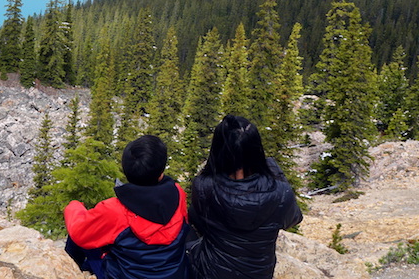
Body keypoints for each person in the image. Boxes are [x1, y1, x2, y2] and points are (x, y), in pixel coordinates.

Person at [187, 115, 302, 279]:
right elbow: (293, 219)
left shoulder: (204, 186)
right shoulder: (279, 192)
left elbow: (197, 222)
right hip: (259, 274)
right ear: (256, 150)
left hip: (212, 272)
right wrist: (276, 172)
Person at [63, 135, 190, 279]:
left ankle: (70, 271)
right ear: (161, 173)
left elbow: (78, 232)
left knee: (81, 231)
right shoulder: (178, 193)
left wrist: (74, 206)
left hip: (126, 275)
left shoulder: (115, 210)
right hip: (175, 274)